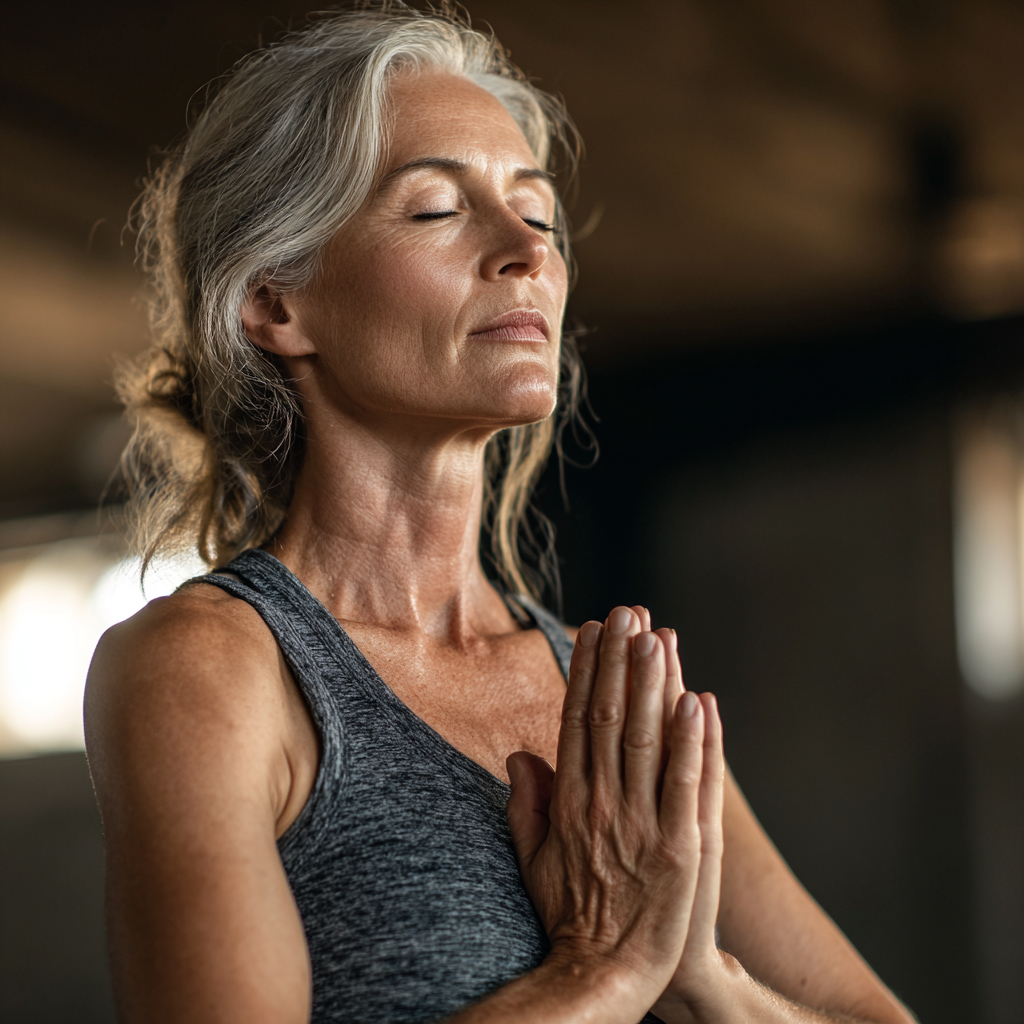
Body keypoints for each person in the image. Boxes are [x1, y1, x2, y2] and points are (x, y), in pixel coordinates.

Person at [85, 5, 918, 1023]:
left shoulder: (610, 696)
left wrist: (698, 978)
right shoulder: (212, 667)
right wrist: (602, 973)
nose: (526, 245)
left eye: (540, 212)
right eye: (436, 209)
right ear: (275, 301)